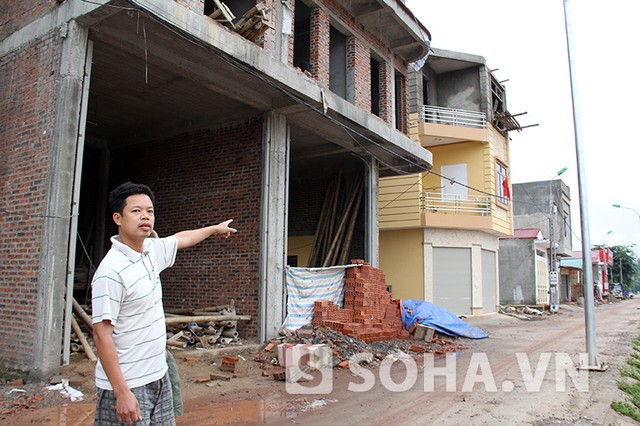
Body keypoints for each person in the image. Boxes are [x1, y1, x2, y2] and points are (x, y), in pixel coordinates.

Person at [91, 182, 236, 425]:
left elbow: (182, 239)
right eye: (136, 211)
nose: (145, 216)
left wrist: (214, 229)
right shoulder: (111, 271)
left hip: (158, 374)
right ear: (118, 218)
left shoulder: (150, 250)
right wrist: (121, 392)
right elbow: (101, 334)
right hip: (129, 383)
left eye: (149, 211)